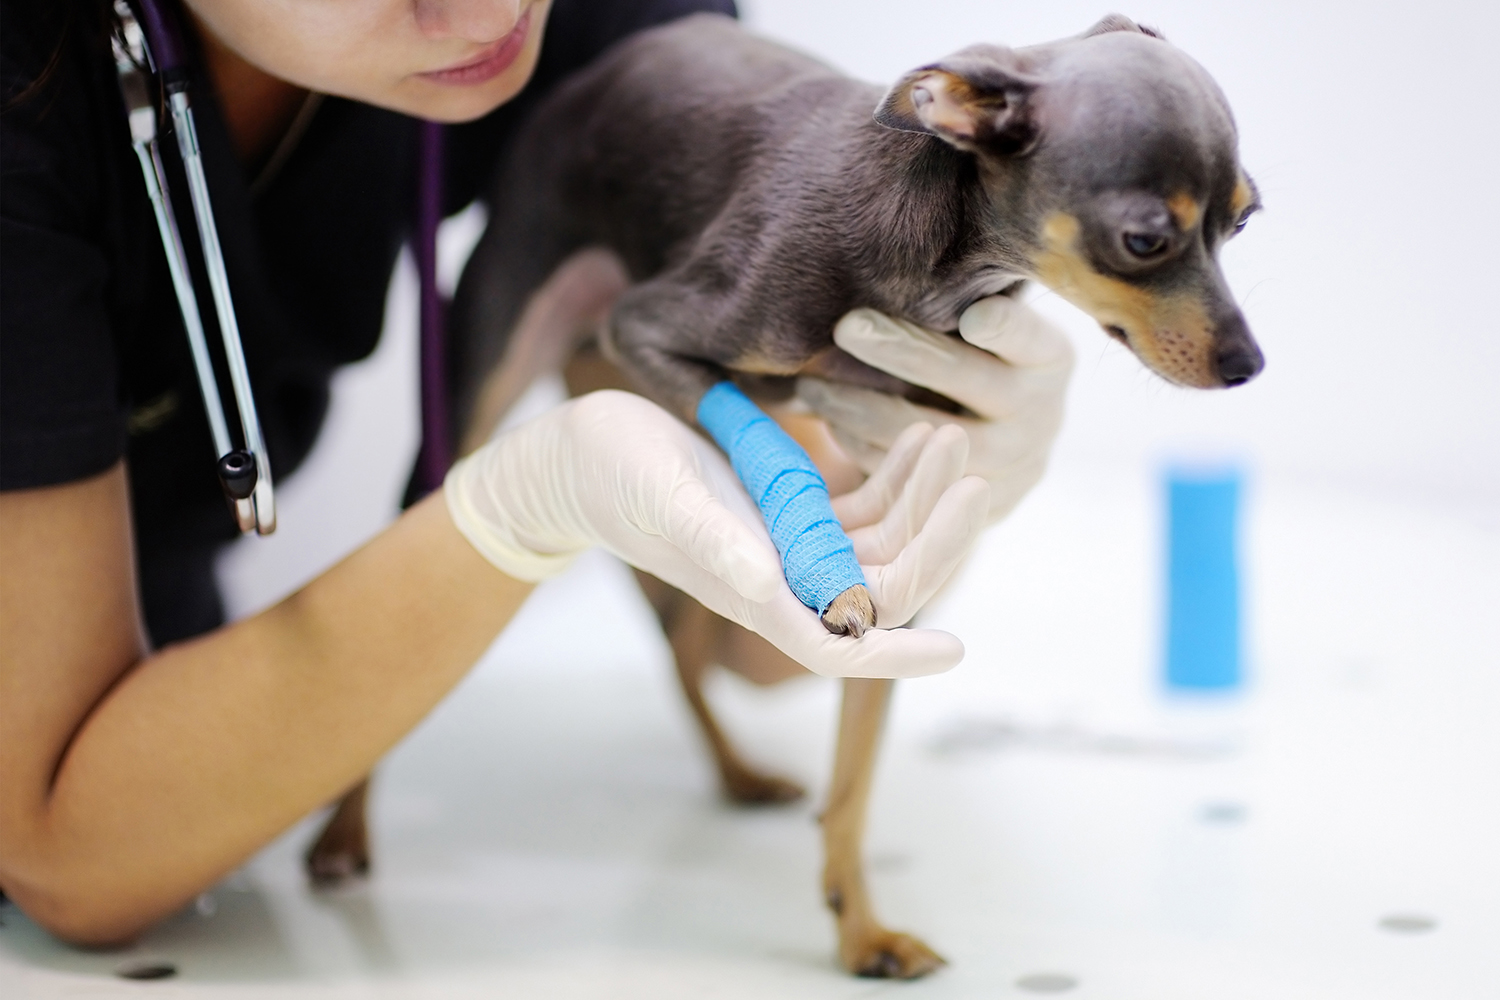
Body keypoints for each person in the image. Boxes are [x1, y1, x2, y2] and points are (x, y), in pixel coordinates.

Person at [0, 0, 1074, 946]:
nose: (484, 11)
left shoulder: (602, 33)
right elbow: (61, 852)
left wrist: (923, 467)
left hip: (181, 712)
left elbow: (770, 640)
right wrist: (509, 514)